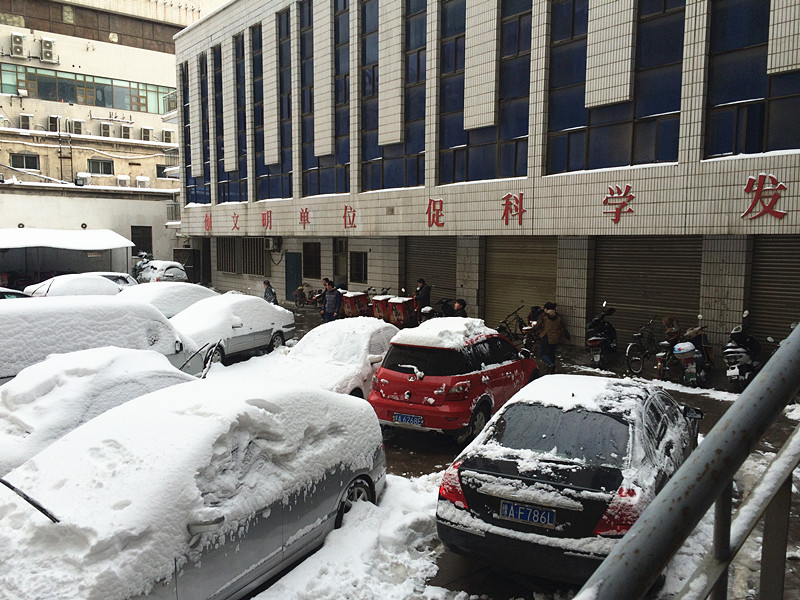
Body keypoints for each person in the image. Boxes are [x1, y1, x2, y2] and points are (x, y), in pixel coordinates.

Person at [531, 302, 571, 374]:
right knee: (552, 354)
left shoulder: (543, 316)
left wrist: (533, 330)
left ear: (546, 309)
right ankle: (552, 369)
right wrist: (567, 337)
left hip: (546, 337)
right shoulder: (558, 317)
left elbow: (538, 325)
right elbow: (563, 328)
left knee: (542, 353)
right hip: (556, 337)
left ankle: (550, 365)